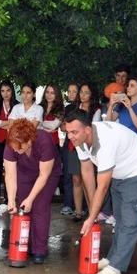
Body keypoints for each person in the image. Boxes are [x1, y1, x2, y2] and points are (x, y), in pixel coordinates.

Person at [66, 110, 137, 274]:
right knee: (120, 217)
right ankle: (112, 258)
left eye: (74, 132)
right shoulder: (80, 140)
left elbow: (103, 186)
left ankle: (116, 266)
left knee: (131, 220)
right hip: (119, 171)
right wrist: (93, 210)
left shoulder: (105, 142)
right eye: (68, 132)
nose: (70, 136)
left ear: (87, 130)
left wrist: (91, 217)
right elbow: (87, 171)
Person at [4, 119, 62, 264]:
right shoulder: (11, 145)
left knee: (39, 206)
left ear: (29, 140)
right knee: (23, 206)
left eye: (20, 148)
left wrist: (31, 198)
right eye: (14, 148)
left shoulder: (44, 141)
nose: (16, 151)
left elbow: (44, 175)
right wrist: (11, 200)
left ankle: (40, 249)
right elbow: (10, 175)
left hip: (47, 174)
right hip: (24, 172)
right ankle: (25, 244)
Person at [66, 82, 101, 221]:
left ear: (92, 94)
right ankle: (78, 211)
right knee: (76, 178)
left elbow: (94, 127)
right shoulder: (73, 107)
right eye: (81, 92)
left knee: (89, 178)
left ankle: (92, 209)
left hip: (90, 144)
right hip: (74, 145)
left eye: (86, 92)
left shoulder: (96, 109)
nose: (83, 95)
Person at [0, 80, 18, 212]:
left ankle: (9, 198)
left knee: (10, 170)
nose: (5, 94)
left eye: (8, 90)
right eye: (2, 91)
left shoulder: (18, 106)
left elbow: (16, 123)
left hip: (12, 141)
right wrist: (7, 123)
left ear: (12, 91)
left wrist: (2, 123)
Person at [58, 82, 79, 216]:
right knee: (67, 175)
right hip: (68, 144)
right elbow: (62, 127)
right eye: (69, 91)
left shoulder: (82, 108)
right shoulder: (68, 108)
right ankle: (67, 204)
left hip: (80, 145)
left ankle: (80, 206)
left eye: (74, 91)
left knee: (79, 177)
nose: (71, 94)